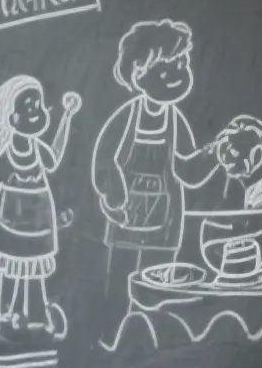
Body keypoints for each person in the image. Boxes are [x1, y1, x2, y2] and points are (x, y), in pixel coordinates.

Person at [91, 20, 223, 292]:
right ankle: (112, 335)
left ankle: (147, 332)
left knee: (157, 290)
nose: (178, 75)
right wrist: (114, 194)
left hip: (165, 226)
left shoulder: (176, 122)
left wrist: (215, 155)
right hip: (126, 219)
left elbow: (188, 171)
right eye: (166, 70)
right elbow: (104, 161)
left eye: (182, 65)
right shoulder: (126, 117)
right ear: (139, 74)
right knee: (119, 285)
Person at [0, 76, 81, 352]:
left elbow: (54, 158)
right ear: (12, 118)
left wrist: (66, 117)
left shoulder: (37, 149)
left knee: (35, 272)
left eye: (39, 105)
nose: (38, 111)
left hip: (39, 225)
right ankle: (5, 318)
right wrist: (15, 191)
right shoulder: (8, 155)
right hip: (13, 226)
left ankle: (38, 317)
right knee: (11, 271)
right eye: (29, 107)